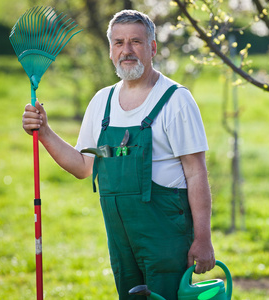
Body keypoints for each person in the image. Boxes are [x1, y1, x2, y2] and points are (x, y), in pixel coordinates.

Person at [22, 9, 215, 299]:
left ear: (152, 48)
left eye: (136, 42)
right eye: (118, 42)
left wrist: (203, 238)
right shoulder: (103, 102)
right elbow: (83, 166)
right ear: (111, 50)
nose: (127, 51)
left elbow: (196, 171)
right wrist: (45, 133)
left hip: (166, 237)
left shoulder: (176, 100)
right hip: (120, 238)